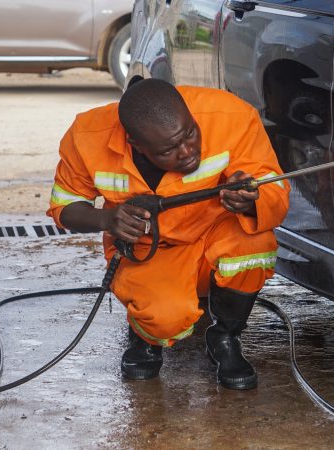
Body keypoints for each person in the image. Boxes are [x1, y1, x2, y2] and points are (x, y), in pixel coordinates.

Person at [47, 79, 290, 390]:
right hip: (152, 248)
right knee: (165, 317)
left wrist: (250, 200)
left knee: (255, 243)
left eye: (190, 134)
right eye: (169, 150)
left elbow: (275, 186)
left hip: (215, 234)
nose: (188, 152)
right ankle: (145, 336)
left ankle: (225, 338)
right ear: (135, 143)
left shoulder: (232, 116)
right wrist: (107, 219)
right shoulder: (87, 136)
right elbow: (63, 206)